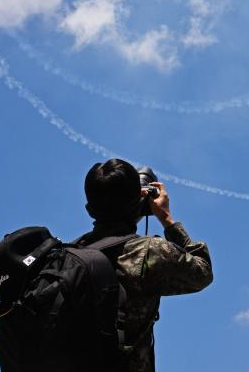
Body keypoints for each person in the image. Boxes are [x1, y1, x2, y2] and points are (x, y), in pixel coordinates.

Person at [75, 158, 213, 372]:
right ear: (140, 200)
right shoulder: (148, 252)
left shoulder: (69, 256)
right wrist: (166, 218)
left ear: (89, 209)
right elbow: (202, 272)